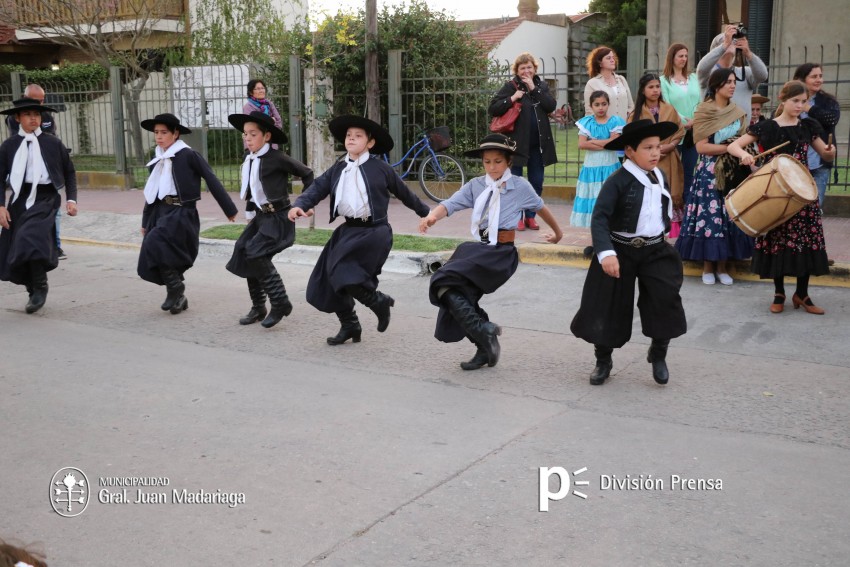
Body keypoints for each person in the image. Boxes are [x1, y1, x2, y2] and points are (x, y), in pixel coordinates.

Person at [420, 134, 563, 370]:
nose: (492, 166)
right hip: (476, 248)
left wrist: (558, 234)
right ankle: (485, 342)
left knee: (443, 279)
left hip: (501, 252)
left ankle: (484, 332)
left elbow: (541, 207)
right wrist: (432, 217)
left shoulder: (520, 186)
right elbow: (451, 203)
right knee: (447, 287)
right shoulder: (477, 185)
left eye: (498, 161)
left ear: (508, 162)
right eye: (487, 161)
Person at [288, 115, 431, 344]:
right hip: (348, 231)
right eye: (348, 136)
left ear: (370, 143)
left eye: (358, 136)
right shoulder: (338, 168)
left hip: (374, 232)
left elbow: (405, 193)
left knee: (347, 275)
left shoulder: (381, 168)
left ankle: (378, 302)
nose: (351, 139)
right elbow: (317, 189)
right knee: (327, 278)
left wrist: (427, 214)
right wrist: (300, 206)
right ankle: (350, 325)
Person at [570, 119, 687, 386]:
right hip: (620, 250)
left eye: (657, 147)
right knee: (607, 305)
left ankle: (658, 353)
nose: (656, 153)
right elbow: (599, 218)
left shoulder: (660, 175)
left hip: (654, 249)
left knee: (664, 300)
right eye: (648, 148)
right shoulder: (617, 180)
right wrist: (606, 253)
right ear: (630, 151)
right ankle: (603, 359)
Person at [728, 80, 836, 315]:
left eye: (803, 102)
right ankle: (779, 292)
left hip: (802, 192)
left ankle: (803, 294)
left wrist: (830, 153)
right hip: (776, 191)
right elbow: (734, 147)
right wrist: (745, 156)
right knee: (777, 239)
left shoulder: (808, 125)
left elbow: (824, 155)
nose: (799, 106)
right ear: (782, 100)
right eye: (795, 101)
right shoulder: (767, 128)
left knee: (806, 241)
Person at [137, 113, 238, 314]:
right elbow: (152, 192)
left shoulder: (188, 154)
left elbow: (211, 179)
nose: (159, 136)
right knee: (158, 250)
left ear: (175, 133)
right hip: (160, 211)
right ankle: (177, 295)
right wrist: (145, 221)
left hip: (181, 212)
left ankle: (176, 288)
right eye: (156, 132)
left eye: (163, 132)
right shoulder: (157, 157)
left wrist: (229, 209)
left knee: (155, 242)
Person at [225, 111, 314, 328]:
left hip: (279, 218)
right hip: (262, 217)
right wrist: (250, 216)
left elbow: (308, 174)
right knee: (244, 249)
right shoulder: (250, 159)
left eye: (252, 134)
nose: (247, 138)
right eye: (245, 134)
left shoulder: (277, 158)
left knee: (255, 253)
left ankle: (280, 302)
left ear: (266, 137)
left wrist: (305, 203)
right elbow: (253, 192)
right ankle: (258, 307)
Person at [675, 68, 754, 286]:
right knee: (710, 219)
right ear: (716, 85)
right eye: (728, 82)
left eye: (733, 82)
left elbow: (743, 141)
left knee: (730, 217)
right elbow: (701, 147)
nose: (732, 85)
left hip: (733, 171)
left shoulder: (738, 111)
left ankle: (724, 266)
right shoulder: (703, 111)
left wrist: (736, 151)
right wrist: (729, 148)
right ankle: (708, 266)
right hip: (709, 172)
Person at [0, 97, 77, 314]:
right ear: (17, 118)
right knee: (14, 249)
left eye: (36, 114)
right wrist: (1, 206)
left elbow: (69, 171)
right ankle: (32, 288)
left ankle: (41, 286)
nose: (33, 118)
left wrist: (71, 199)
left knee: (28, 237)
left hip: (46, 198)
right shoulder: (9, 146)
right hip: (19, 199)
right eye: (27, 115)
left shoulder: (53, 143)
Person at [487, 52, 557, 231]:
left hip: (537, 145)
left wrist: (533, 88)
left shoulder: (540, 86)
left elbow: (550, 106)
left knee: (536, 181)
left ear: (534, 69)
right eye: (522, 68)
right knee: (515, 182)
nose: (526, 71)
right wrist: (512, 98)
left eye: (529, 67)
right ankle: (517, 217)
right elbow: (493, 108)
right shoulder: (511, 86)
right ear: (517, 71)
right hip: (516, 146)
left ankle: (531, 217)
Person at [6, 84, 65, 260]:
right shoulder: (14, 118)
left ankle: (55, 245)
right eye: (34, 101)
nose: (38, 106)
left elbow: (52, 135)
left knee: (55, 211)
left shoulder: (45, 115)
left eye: (41, 101)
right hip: (25, 171)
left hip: (47, 173)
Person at [629, 73, 686, 237]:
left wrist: (670, 145)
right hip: (645, 163)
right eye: (651, 87)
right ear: (642, 91)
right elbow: (631, 138)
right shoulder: (636, 114)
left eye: (657, 86)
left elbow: (679, 130)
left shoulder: (669, 109)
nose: (655, 90)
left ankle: (670, 232)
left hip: (669, 159)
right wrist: (649, 150)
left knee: (669, 193)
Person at [571, 90, 625, 227]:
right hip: (592, 166)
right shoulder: (586, 122)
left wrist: (593, 142)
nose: (601, 107)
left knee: (609, 195)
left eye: (604, 104)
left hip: (610, 164)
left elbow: (614, 143)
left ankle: (610, 228)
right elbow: (582, 144)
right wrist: (606, 143)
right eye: (597, 104)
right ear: (591, 106)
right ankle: (596, 229)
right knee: (593, 196)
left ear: (608, 104)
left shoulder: (615, 121)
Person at [791, 63, 840, 210]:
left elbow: (832, 119)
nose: (819, 80)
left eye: (820, 76)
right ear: (801, 80)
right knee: (794, 208)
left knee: (815, 208)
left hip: (819, 163)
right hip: (796, 163)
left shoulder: (828, 101)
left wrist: (809, 108)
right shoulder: (791, 100)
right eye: (814, 76)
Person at [696, 25, 769, 124]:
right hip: (715, 132)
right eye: (726, 40)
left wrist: (748, 53)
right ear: (715, 49)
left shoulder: (744, 73)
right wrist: (724, 45)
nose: (731, 43)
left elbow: (763, 76)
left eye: (733, 41)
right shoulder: (710, 74)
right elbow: (701, 68)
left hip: (742, 134)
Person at [660, 43, 701, 207]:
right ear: (672, 58)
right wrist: (684, 121)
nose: (684, 59)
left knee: (689, 170)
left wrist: (695, 120)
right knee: (673, 171)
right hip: (675, 132)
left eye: (686, 56)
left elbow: (700, 100)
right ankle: (671, 207)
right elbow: (668, 105)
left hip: (693, 132)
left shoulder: (694, 78)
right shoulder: (664, 81)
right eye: (680, 56)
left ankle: (687, 208)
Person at [584, 46, 634, 121]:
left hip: (624, 128)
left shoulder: (621, 80)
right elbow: (589, 111)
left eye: (613, 58)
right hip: (603, 129)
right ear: (600, 63)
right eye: (608, 58)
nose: (612, 60)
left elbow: (631, 106)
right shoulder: (592, 83)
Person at [242, 80, 283, 151]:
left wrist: (270, 123)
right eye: (258, 89)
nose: (261, 91)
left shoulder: (269, 104)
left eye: (262, 88)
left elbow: (278, 122)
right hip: (255, 144)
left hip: (271, 143)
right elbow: (252, 127)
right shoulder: (248, 107)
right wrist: (271, 121)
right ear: (251, 92)